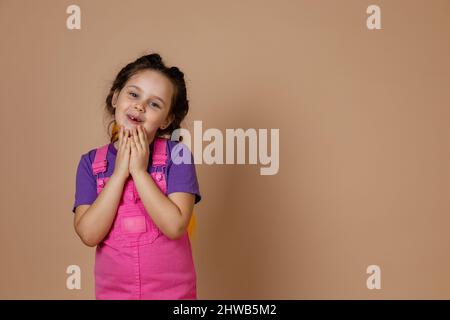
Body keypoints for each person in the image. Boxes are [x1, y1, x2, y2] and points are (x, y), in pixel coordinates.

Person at [72, 53, 201, 299]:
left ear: (166, 120)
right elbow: (88, 234)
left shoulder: (178, 156)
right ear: (114, 97)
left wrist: (139, 172)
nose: (140, 105)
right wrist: (120, 173)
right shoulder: (90, 163)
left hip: (173, 295)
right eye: (133, 94)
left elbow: (175, 226)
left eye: (155, 104)